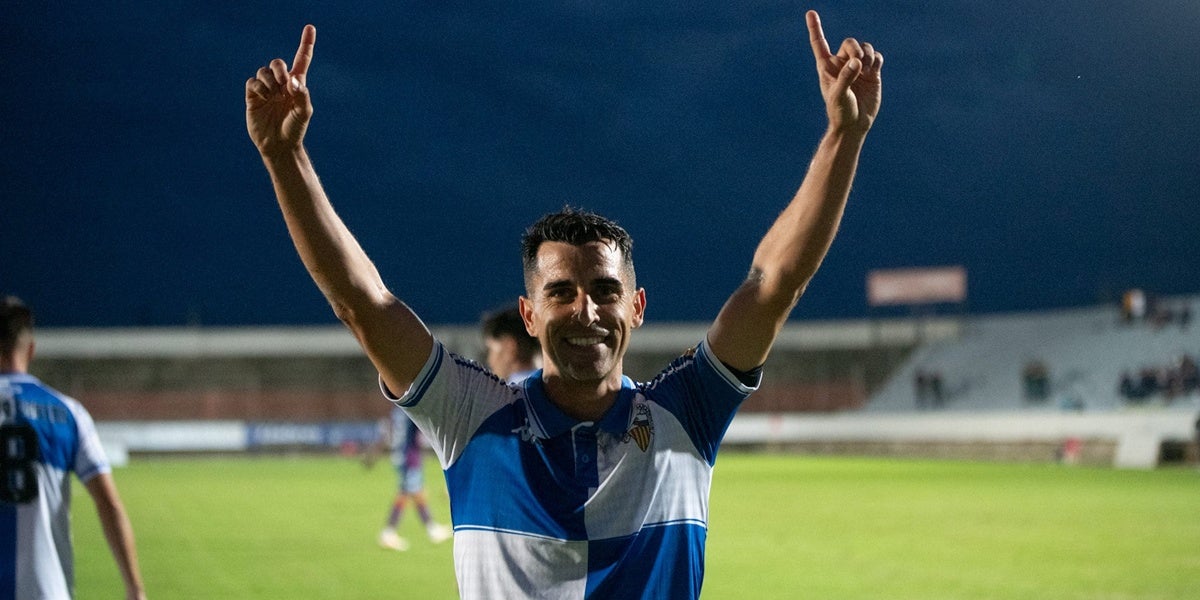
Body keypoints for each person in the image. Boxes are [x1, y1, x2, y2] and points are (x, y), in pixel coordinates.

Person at [246, 9, 880, 598]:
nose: (586, 311)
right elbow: (363, 302)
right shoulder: (471, 416)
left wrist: (843, 136)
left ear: (636, 307)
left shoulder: (685, 411)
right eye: (560, 293)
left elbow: (774, 285)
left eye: (606, 291)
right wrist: (285, 157)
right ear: (529, 316)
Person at [0, 296, 147, 600]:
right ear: (30, 349)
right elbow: (110, 505)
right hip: (45, 591)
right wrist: (135, 588)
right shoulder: (68, 413)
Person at [366, 407, 453, 551]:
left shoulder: (397, 410)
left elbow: (389, 432)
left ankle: (431, 529)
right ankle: (389, 532)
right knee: (407, 493)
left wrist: (374, 454)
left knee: (414, 491)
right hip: (409, 457)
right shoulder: (411, 408)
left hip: (400, 455)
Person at [480, 304, 541, 382]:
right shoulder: (550, 386)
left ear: (510, 346)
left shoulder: (508, 391)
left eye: (490, 350)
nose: (489, 360)